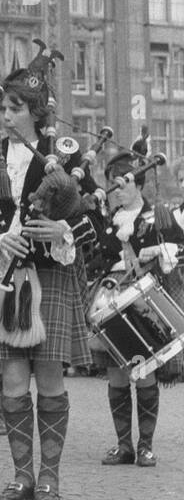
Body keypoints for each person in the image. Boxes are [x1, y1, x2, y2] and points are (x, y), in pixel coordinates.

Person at [0, 47, 97, 500]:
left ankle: (50, 476)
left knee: (49, 379)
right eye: (1, 107)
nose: (5, 116)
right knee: (11, 381)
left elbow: (94, 218)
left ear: (36, 113)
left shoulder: (61, 156)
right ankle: (22, 475)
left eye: (14, 108)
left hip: (50, 275)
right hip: (6, 279)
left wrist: (63, 227)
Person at [94, 146, 182, 467]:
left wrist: (160, 251)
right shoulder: (106, 221)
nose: (118, 188)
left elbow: (181, 249)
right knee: (117, 373)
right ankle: (123, 445)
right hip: (112, 299)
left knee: (144, 372)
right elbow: (95, 261)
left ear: (138, 184)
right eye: (113, 182)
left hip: (144, 301)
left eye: (124, 182)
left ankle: (145, 446)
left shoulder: (158, 214)